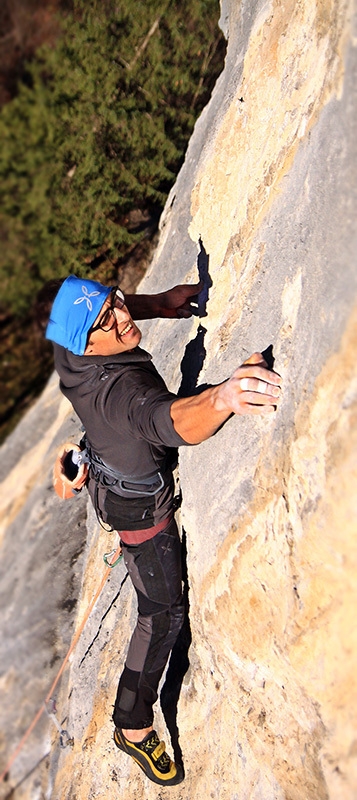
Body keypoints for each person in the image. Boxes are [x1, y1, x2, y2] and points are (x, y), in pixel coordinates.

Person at [36, 274, 282, 786]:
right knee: (163, 611)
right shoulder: (120, 395)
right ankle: (132, 722)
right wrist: (222, 399)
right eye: (107, 321)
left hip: (106, 456)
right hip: (140, 511)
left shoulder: (71, 341)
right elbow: (168, 422)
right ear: (82, 342)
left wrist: (161, 303)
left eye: (117, 303)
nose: (123, 317)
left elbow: (110, 313)